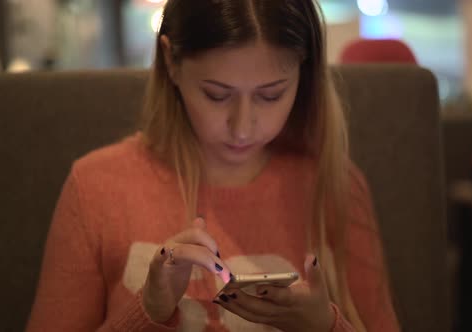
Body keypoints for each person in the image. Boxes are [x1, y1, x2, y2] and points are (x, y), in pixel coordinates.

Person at [26, 1, 399, 331]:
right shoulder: (97, 187)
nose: (242, 127)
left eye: (271, 95)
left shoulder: (336, 187)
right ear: (171, 61)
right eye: (217, 95)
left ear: (304, 75)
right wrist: (150, 313)